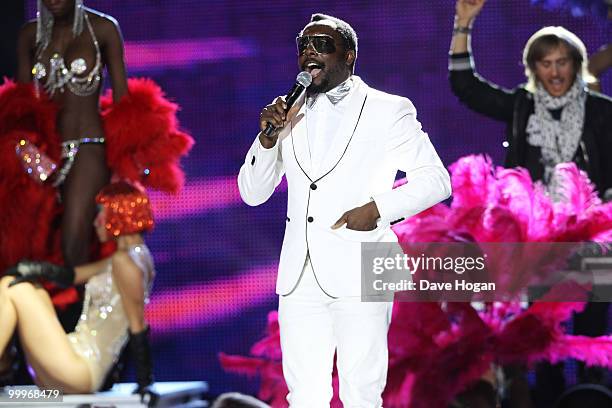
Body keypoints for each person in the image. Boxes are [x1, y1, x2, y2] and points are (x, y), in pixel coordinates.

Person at [238, 13, 451, 407]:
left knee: (361, 391)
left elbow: (436, 180)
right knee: (304, 394)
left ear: (349, 55)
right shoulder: (287, 111)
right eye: (303, 45)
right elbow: (252, 193)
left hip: (362, 263)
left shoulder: (388, 109)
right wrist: (268, 140)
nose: (309, 53)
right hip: (298, 273)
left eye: (321, 44)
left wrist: (378, 208)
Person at [0, 181, 155, 394]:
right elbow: (74, 276)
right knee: (30, 287)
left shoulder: (125, 261)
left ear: (119, 214)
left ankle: (4, 364)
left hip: (82, 369)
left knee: (13, 287)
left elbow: (137, 325)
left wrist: (145, 383)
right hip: (72, 359)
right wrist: (33, 268)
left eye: (101, 213)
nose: (95, 222)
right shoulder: (133, 256)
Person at [448, 0, 612, 200]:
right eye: (546, 63)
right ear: (533, 68)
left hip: (589, 223)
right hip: (530, 224)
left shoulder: (603, 111)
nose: (555, 72)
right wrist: (463, 23)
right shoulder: (521, 107)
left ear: (576, 65)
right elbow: (466, 86)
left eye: (562, 62)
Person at [17, 0, 127, 268]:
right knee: (41, 245)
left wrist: (127, 160)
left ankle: (82, 306)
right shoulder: (30, 36)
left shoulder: (103, 29)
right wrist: (23, 148)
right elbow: (19, 106)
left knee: (73, 242)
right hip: (48, 153)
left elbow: (124, 102)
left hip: (89, 146)